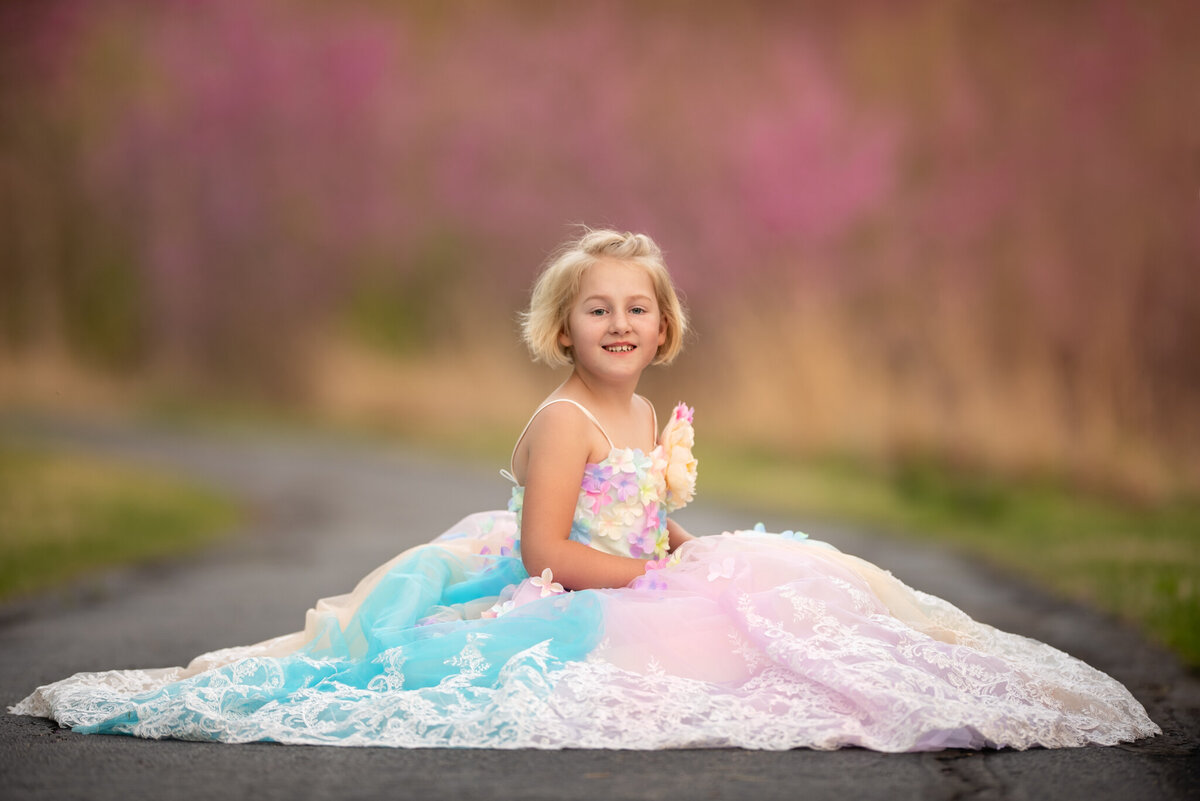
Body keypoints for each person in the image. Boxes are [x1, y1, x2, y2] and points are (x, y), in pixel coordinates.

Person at [11, 229, 1159, 751]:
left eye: (639, 309)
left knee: (798, 583)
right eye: (598, 308)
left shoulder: (645, 411)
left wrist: (682, 543)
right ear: (562, 327)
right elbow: (556, 552)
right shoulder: (559, 422)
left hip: (627, 566)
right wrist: (658, 573)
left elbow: (650, 516)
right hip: (567, 586)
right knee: (702, 642)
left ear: (665, 328)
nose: (621, 324)